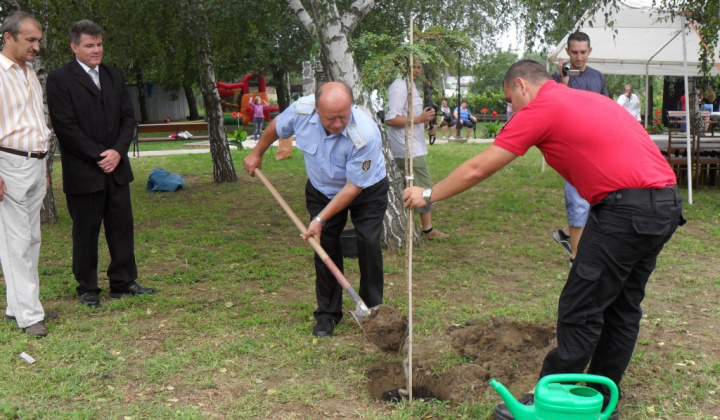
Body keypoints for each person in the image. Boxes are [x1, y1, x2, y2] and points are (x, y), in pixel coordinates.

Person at [403, 59, 684, 420]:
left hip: (625, 211)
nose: (510, 108)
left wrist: (429, 194)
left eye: (509, 99)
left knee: (580, 307)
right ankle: (599, 400)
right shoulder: (588, 98)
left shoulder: (541, 107)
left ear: (522, 85)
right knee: (622, 306)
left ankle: (549, 401)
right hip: (664, 204)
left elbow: (478, 167)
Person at [243, 81, 389, 338]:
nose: (337, 124)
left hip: (365, 189)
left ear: (351, 107)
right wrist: (257, 153)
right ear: (317, 110)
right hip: (322, 188)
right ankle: (328, 315)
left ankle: (372, 310)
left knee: (368, 241)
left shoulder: (365, 133)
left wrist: (320, 218)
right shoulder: (302, 111)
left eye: (343, 116)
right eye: (331, 118)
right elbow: (277, 127)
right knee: (324, 246)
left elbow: (353, 187)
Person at [47, 19, 155, 309]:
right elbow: (65, 127)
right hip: (84, 170)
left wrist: (118, 152)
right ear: (74, 47)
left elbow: (128, 118)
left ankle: (123, 281)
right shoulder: (60, 79)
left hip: (117, 168)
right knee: (86, 230)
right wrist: (99, 155)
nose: (96, 50)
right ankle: (88, 287)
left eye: (99, 44)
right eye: (89, 45)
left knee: (121, 226)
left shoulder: (114, 76)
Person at [0, 11, 55, 337]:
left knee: (31, 238)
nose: (37, 46)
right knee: (15, 241)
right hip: (8, 164)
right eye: (30, 40)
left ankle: (16, 305)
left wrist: (43, 166)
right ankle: (29, 315)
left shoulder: (28, 72)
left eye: (39, 40)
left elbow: (35, 123)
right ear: (8, 37)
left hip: (34, 164)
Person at [551, 31, 609, 267]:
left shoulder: (598, 78)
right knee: (577, 200)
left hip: (595, 147)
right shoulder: (555, 80)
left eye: (583, 52)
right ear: (567, 52)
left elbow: (606, 108)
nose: (579, 57)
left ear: (590, 51)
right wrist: (563, 81)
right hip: (571, 149)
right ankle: (576, 257)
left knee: (599, 198)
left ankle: (565, 234)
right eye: (574, 52)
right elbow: (555, 109)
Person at [385, 62, 450, 240]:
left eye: (419, 67)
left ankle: (411, 226)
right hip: (406, 148)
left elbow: (411, 116)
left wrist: (426, 123)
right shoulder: (399, 86)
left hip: (414, 145)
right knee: (424, 188)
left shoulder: (411, 85)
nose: (417, 71)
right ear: (403, 67)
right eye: (413, 67)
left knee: (412, 188)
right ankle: (427, 230)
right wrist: (419, 118)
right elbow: (391, 119)